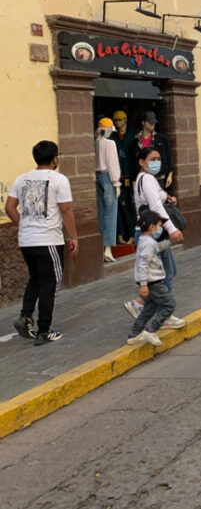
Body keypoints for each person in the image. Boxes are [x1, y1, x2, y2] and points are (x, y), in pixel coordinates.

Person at [6, 141, 78, 345]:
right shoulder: (59, 180)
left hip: (26, 241)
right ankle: (44, 330)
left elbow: (9, 207)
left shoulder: (22, 179)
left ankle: (26, 315)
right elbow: (65, 210)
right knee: (49, 283)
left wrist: (23, 225)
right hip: (48, 240)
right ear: (55, 158)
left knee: (35, 279)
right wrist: (74, 237)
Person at [124, 146, 185, 320]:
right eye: (152, 159)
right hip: (152, 235)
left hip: (150, 234)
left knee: (169, 271)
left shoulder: (144, 179)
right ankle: (163, 315)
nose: (156, 161)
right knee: (165, 275)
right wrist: (172, 229)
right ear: (142, 163)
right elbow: (156, 206)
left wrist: (168, 197)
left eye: (158, 158)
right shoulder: (148, 179)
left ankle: (140, 303)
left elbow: (158, 197)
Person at [126, 209, 186, 347]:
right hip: (153, 281)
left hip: (152, 281)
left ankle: (134, 335)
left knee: (149, 309)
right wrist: (143, 285)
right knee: (169, 304)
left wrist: (169, 241)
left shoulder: (146, 240)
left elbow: (157, 248)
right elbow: (142, 264)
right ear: (152, 227)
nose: (160, 229)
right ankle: (151, 330)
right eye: (159, 226)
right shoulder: (147, 243)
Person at [95, 117, 121, 263]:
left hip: (98, 177)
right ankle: (108, 249)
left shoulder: (95, 143)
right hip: (108, 178)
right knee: (111, 213)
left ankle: (101, 247)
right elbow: (113, 164)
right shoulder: (110, 143)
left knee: (101, 212)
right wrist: (116, 183)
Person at [130, 111, 173, 187]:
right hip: (142, 178)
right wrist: (134, 180)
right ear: (143, 122)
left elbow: (168, 156)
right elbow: (133, 161)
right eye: (150, 122)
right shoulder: (135, 141)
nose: (153, 124)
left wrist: (170, 174)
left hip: (159, 178)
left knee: (158, 198)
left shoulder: (161, 139)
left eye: (154, 122)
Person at [112, 110, 136, 243]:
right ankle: (121, 234)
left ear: (126, 120)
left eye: (120, 120)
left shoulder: (133, 134)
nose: (118, 123)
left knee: (131, 205)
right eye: (116, 120)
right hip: (117, 177)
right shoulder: (113, 137)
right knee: (120, 206)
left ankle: (132, 233)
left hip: (130, 175)